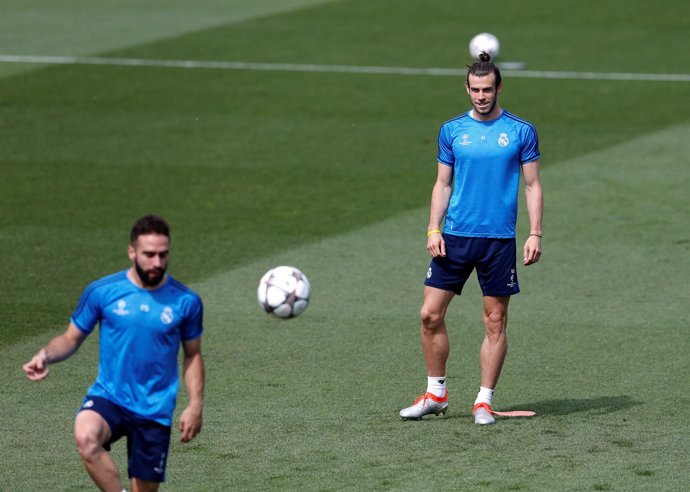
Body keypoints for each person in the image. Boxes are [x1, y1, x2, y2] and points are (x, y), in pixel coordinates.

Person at [400, 52, 543, 425]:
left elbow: (532, 185)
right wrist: (433, 227)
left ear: (498, 88)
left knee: (495, 320)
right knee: (429, 314)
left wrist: (535, 233)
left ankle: (483, 401)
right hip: (455, 237)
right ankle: (436, 394)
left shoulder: (520, 131)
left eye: (488, 89)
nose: (482, 96)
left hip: (498, 240)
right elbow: (442, 183)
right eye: (476, 89)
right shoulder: (451, 131)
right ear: (467, 88)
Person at [23, 214, 205, 491]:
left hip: (153, 409)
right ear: (132, 251)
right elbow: (70, 338)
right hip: (110, 396)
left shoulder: (186, 301)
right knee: (86, 437)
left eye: (163, 255)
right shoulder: (103, 292)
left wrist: (195, 404)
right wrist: (45, 354)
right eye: (149, 254)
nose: (157, 263)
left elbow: (193, 354)